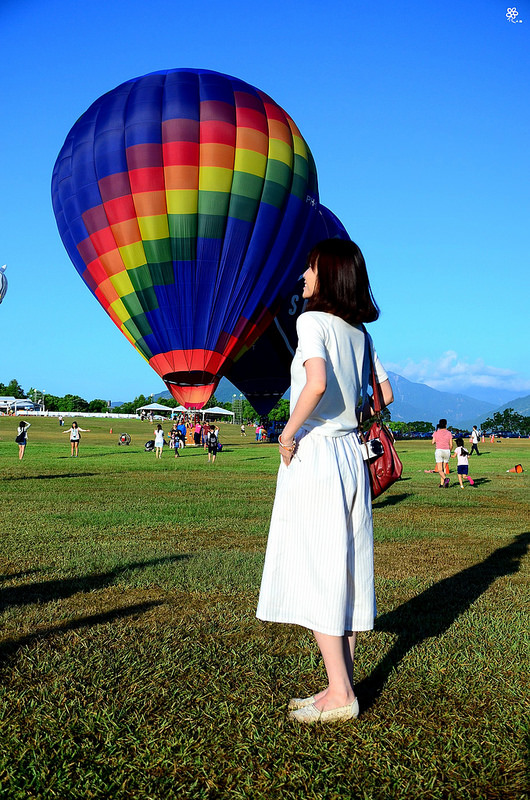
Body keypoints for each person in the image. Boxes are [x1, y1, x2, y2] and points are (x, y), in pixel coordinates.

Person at [256, 239, 394, 725]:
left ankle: (340, 695)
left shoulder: (311, 321)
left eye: (311, 269)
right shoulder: (360, 334)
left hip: (316, 452)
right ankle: (340, 685)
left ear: (329, 274)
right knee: (345, 570)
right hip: (351, 455)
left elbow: (314, 384)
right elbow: (385, 393)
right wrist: (348, 416)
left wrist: (287, 434)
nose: (303, 277)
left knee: (318, 569)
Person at [431, 419, 453, 487]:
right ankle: (441, 484)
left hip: (439, 451)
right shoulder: (449, 433)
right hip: (447, 451)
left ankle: (446, 479)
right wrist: (449, 451)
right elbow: (451, 445)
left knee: (440, 470)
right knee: (443, 469)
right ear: (446, 424)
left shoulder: (436, 432)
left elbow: (432, 442)